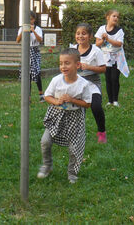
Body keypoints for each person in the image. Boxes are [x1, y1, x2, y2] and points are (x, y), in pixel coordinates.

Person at [37, 48, 92, 184]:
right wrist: (57, 101)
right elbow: (47, 96)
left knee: (75, 147)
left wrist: (72, 100)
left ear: (77, 65)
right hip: (56, 116)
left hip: (75, 118)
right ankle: (47, 165)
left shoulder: (83, 84)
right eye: (61, 63)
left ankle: (72, 173)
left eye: (67, 63)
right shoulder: (56, 80)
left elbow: (87, 104)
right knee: (45, 141)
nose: (63, 66)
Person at [71, 23, 107, 143]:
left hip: (92, 83)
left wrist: (89, 67)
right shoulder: (72, 50)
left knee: (96, 106)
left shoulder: (96, 51)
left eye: (84, 33)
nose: (80, 36)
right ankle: (76, 134)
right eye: (78, 33)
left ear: (90, 36)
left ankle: (102, 132)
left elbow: (103, 69)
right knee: (76, 108)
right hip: (76, 82)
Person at [95, 9, 129, 107]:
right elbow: (97, 43)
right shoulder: (101, 29)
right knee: (108, 78)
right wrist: (103, 40)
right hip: (105, 57)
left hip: (116, 58)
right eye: (114, 16)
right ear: (108, 17)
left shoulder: (119, 31)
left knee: (115, 78)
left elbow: (119, 44)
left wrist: (108, 39)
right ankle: (110, 101)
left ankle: (115, 100)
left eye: (117, 17)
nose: (116, 18)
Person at [16, 11, 44, 102]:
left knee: (36, 72)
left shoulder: (38, 29)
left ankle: (41, 93)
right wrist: (24, 30)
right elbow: (18, 40)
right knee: (27, 74)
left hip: (34, 51)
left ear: (34, 20)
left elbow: (40, 40)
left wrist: (33, 31)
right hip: (26, 51)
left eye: (31, 19)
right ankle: (28, 96)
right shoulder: (22, 29)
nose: (29, 21)